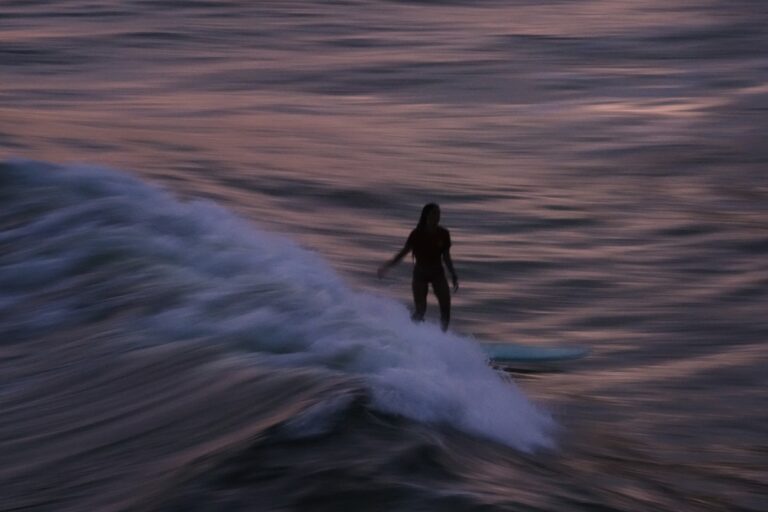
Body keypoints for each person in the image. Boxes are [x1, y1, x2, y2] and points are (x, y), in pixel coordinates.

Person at [377, 203, 459, 331]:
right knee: (420, 310)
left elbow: (446, 257)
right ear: (426, 215)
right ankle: (410, 334)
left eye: (438, 213)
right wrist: (387, 266)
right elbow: (403, 253)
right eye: (434, 213)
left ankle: (442, 339)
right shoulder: (416, 234)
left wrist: (453, 274)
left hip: (438, 273)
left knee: (446, 309)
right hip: (420, 274)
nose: (437, 216)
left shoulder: (444, 233)